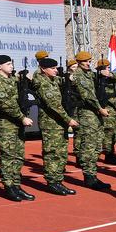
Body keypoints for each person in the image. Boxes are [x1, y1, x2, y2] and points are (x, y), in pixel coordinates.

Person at [0, 56, 34, 201]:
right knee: (7, 157)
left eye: (12, 63)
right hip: (6, 124)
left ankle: (17, 185)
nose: (11, 66)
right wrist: (22, 117)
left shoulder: (12, 79)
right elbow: (5, 103)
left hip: (16, 124)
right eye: (8, 64)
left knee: (18, 156)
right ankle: (9, 187)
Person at [67, 52, 112, 191]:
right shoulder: (80, 76)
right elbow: (88, 96)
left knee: (97, 144)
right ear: (79, 62)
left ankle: (92, 174)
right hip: (87, 113)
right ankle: (89, 177)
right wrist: (100, 108)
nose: (88, 63)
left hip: (94, 114)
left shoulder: (90, 74)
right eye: (85, 61)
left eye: (89, 61)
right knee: (89, 146)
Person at [34, 57, 76, 195]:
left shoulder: (53, 80)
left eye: (56, 68)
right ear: (43, 69)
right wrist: (68, 119)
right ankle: (52, 182)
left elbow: (65, 82)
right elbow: (54, 105)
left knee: (61, 152)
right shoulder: (43, 83)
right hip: (50, 123)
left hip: (58, 123)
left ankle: (58, 180)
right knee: (53, 152)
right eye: (52, 68)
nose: (55, 71)